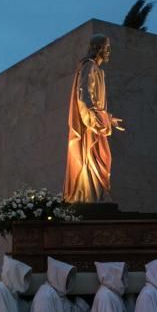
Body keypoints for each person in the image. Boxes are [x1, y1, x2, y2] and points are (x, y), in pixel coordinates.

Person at [64, 34, 125, 203]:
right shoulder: (89, 66)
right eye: (106, 47)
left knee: (103, 158)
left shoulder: (98, 70)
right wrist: (96, 120)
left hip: (98, 122)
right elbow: (83, 96)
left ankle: (97, 195)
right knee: (95, 157)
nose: (109, 51)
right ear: (98, 49)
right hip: (91, 125)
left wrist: (108, 119)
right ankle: (91, 196)